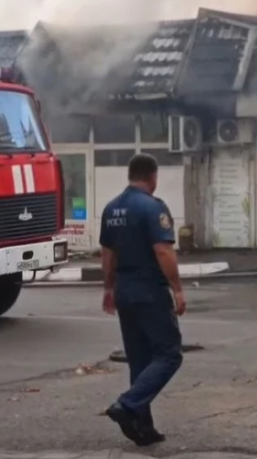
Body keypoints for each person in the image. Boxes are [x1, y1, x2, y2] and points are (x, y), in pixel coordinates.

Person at [99, 152, 186, 447]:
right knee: (169, 353)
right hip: (149, 289)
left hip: (124, 288)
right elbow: (163, 251)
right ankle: (128, 404)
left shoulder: (112, 209)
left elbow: (107, 254)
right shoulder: (152, 207)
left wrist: (109, 288)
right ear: (152, 177)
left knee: (140, 359)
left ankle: (142, 426)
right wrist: (177, 288)